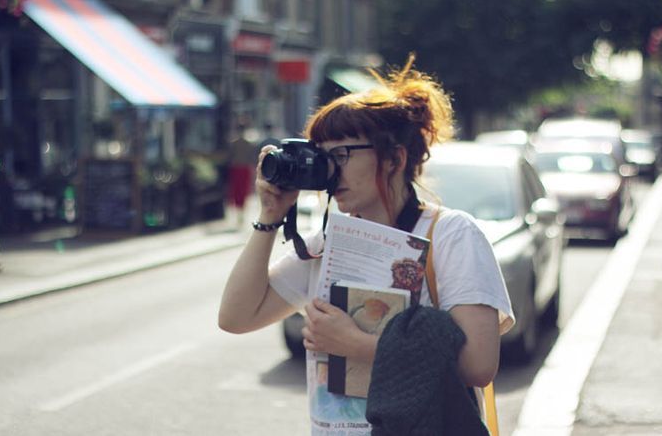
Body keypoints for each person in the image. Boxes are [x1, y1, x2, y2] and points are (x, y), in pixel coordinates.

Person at [218, 56, 514, 434]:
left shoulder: (451, 234)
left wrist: (358, 345)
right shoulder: (327, 244)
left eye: (340, 155)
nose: (329, 170)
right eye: (323, 157)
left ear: (394, 158)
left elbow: (479, 364)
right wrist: (270, 217)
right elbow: (236, 318)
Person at [226, 123, 258, 228]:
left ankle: (240, 214)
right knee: (240, 191)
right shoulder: (247, 143)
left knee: (240, 191)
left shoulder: (235, 143)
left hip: (239, 168)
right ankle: (240, 214)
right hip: (242, 168)